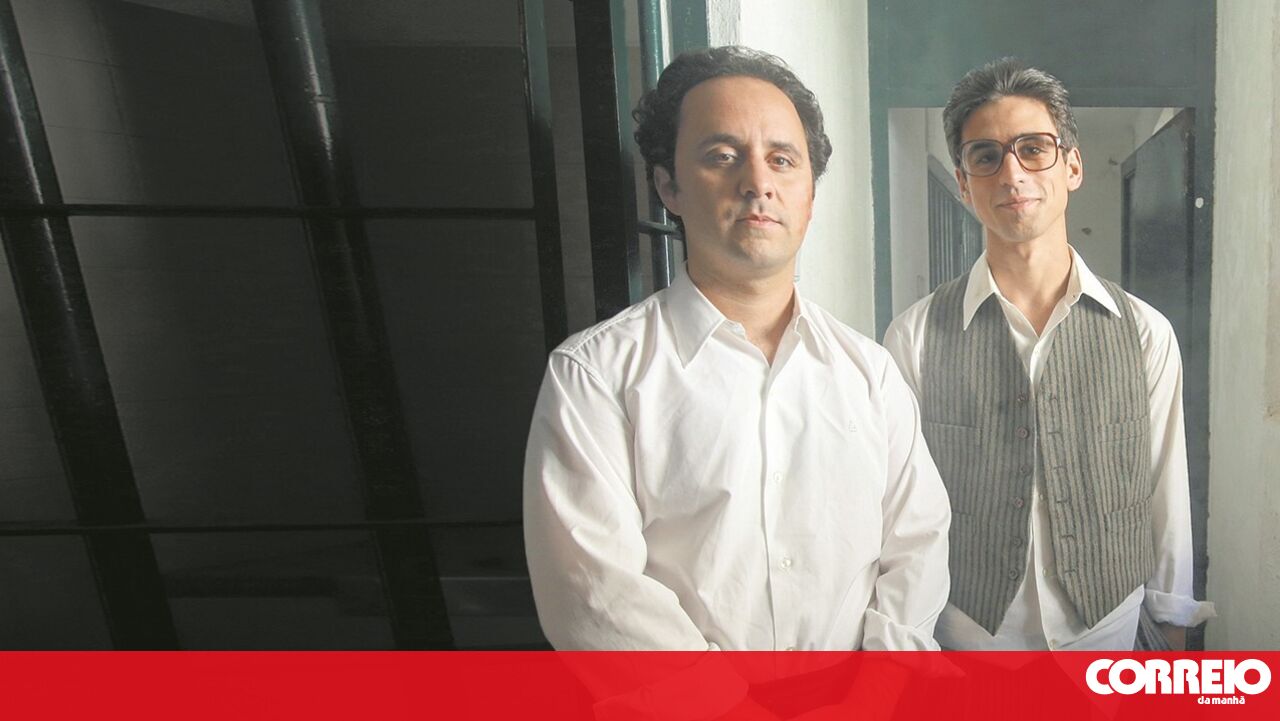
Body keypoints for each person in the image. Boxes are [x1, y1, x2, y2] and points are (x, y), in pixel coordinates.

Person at [523, 46, 950, 717]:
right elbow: (594, 592)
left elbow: (917, 544)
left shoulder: (870, 374)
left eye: (782, 159)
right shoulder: (595, 376)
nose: (758, 182)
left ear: (810, 193)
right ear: (668, 186)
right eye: (722, 155)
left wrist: (875, 693)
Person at [883, 58, 1215, 651]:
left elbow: (1166, 487)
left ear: (1073, 166)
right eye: (986, 156)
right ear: (964, 183)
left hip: (1106, 631)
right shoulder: (915, 337)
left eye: (1033, 149)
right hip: (967, 636)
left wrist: (1170, 622)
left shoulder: (1144, 331)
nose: (1012, 173)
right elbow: (900, 510)